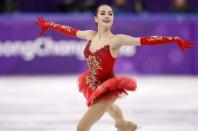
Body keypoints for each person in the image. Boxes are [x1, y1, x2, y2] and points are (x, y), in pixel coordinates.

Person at [36, 4, 195, 131]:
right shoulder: (89, 35)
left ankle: (123, 124)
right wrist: (50, 25)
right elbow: (70, 31)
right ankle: (123, 125)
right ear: (96, 18)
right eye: (103, 13)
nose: (107, 16)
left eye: (110, 13)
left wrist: (174, 39)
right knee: (111, 109)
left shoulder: (117, 40)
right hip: (92, 84)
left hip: (108, 88)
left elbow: (145, 40)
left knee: (81, 128)